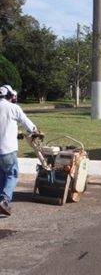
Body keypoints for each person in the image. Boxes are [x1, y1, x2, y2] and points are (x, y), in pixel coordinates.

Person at [0, 85, 39, 216]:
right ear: (10, 96)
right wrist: (35, 131)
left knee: (1, 176)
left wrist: (15, 133)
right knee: (12, 174)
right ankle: (4, 200)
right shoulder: (13, 108)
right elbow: (26, 122)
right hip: (7, 150)